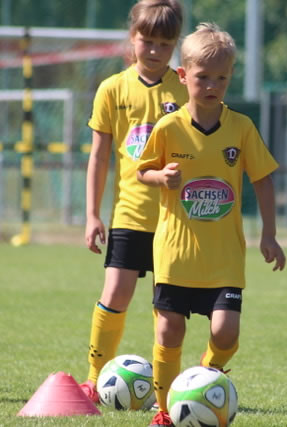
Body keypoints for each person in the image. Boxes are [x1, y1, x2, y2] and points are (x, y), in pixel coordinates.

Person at [137, 22, 287, 427]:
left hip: (224, 258)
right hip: (176, 254)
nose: (212, 85)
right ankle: (165, 412)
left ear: (230, 77)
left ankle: (207, 373)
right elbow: (142, 171)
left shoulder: (241, 128)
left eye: (222, 78)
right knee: (169, 332)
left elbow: (263, 180)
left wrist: (269, 234)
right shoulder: (169, 128)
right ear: (183, 76)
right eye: (203, 77)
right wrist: (160, 177)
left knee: (226, 332)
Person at [81, 0, 187, 403]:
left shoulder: (185, 89)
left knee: (167, 309)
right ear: (132, 37)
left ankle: (165, 389)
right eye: (148, 41)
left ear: (175, 44)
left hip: (173, 220)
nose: (156, 50)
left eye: (166, 43)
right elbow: (98, 157)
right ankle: (94, 379)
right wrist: (92, 214)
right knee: (115, 294)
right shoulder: (112, 89)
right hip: (129, 214)